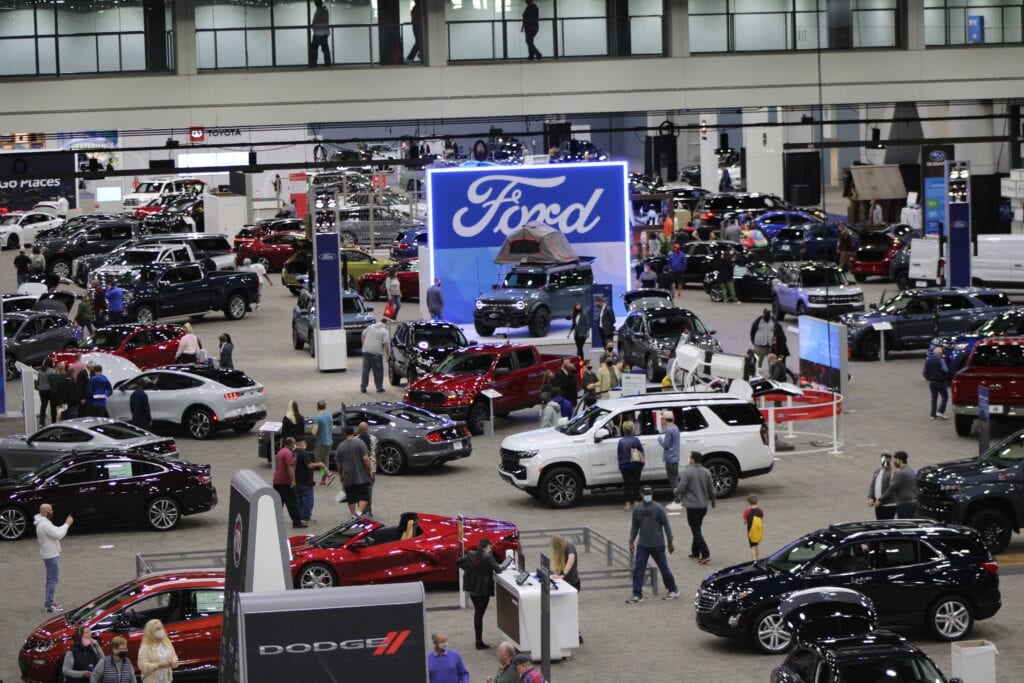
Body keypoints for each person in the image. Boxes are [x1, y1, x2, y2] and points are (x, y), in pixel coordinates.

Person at [627, 484, 679, 603]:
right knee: (639, 569)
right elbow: (635, 526)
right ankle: (637, 593)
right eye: (645, 494)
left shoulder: (658, 508)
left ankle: (673, 589)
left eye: (649, 494)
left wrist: (670, 542)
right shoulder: (638, 509)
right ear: (641, 494)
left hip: (657, 545)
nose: (648, 496)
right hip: (643, 545)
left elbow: (666, 525)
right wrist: (631, 541)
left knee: (664, 568)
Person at [456, 538, 504, 649]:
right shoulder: (488, 557)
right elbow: (498, 570)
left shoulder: (471, 554)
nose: (491, 548)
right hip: (483, 590)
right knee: (479, 614)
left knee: (478, 613)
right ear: (487, 546)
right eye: (490, 546)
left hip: (472, 589)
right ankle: (478, 641)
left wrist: (469, 569)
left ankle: (478, 640)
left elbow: (458, 562)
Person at [675, 451, 715, 564]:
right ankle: (695, 551)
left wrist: (675, 491)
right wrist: (713, 501)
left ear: (692, 460)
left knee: (696, 530)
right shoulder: (706, 472)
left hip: (692, 506)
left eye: (689, 457)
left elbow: (681, 487)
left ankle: (705, 554)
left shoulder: (688, 472)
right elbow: (711, 489)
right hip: (703, 506)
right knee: (697, 528)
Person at [35, 503, 73, 612]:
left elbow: (56, 531)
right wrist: (67, 524)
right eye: (51, 510)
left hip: (49, 555)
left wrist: (65, 524)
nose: (52, 512)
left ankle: (49, 601)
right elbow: (59, 535)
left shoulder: (44, 523)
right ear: (46, 512)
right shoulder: (44, 525)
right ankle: (49, 605)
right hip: (51, 556)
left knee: (50, 579)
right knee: (52, 580)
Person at [336, 426, 373, 517]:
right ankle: (359, 512)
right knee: (364, 496)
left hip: (348, 477)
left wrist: (341, 474)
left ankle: (353, 514)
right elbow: (365, 458)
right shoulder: (360, 443)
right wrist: (369, 469)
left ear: (344, 434)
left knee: (351, 497)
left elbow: (338, 463)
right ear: (354, 433)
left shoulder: (341, 446)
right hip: (361, 476)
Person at [273, 437, 307, 529]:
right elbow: (290, 468)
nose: (294, 445)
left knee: (278, 502)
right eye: (294, 443)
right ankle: (297, 522)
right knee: (292, 503)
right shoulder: (289, 453)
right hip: (285, 481)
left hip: (277, 480)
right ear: (290, 444)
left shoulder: (280, 452)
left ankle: (272, 521)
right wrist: (293, 481)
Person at [877, 451, 917, 518]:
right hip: (912, 503)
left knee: (902, 526)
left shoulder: (901, 473)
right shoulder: (910, 470)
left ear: (900, 460)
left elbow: (892, 487)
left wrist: (880, 500)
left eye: (895, 459)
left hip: (904, 504)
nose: (894, 462)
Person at [138, 618, 178, 683]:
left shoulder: (166, 643)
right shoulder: (145, 647)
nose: (161, 631)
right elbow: (142, 666)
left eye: (161, 628)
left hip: (166, 679)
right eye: (157, 629)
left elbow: (175, 658)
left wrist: (172, 662)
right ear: (150, 632)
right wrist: (158, 665)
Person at [294, 436, 323, 524]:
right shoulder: (303, 454)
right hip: (305, 481)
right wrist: (319, 464)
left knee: (298, 499)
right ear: (303, 443)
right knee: (308, 499)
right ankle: (306, 516)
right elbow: (309, 465)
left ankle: (299, 516)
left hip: (297, 480)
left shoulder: (293, 453)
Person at [617, 420, 644, 512]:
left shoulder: (621, 441)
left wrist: (620, 465)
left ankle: (627, 505)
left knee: (627, 485)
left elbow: (619, 455)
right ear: (632, 429)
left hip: (624, 465)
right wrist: (642, 462)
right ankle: (636, 503)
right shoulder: (636, 440)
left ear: (624, 430)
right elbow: (641, 451)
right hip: (636, 464)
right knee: (636, 483)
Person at [659, 412, 683, 511]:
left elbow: (666, 444)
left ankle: (678, 500)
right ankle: (678, 499)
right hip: (675, 457)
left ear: (665, 419)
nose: (661, 420)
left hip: (670, 458)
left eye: (662, 419)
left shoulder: (669, 430)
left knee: (673, 480)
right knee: (675, 479)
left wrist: (659, 439)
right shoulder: (676, 428)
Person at [360, 319, 390, 393]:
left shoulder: (370, 327)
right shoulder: (384, 331)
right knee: (378, 371)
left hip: (366, 351)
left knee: (365, 371)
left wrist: (364, 345)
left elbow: (363, 335)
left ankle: (363, 387)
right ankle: (379, 388)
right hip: (376, 353)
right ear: (385, 323)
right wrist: (387, 355)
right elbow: (386, 344)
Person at [356, 421, 378, 515]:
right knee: (369, 491)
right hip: (371, 469)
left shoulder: (355, 440)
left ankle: (360, 511)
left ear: (359, 430)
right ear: (367, 429)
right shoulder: (374, 439)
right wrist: (376, 465)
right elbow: (379, 453)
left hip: (358, 471)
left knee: (359, 492)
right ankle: (368, 512)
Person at [310, 400, 335, 485]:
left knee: (318, 460)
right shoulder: (329, 415)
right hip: (329, 441)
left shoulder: (318, 418)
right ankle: (323, 480)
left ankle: (329, 475)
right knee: (325, 461)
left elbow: (314, 432)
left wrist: (312, 427)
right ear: (325, 406)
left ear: (317, 407)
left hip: (321, 442)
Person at [868, 452, 897, 520]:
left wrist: (881, 500)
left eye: (886, 458)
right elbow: (872, 486)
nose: (884, 460)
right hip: (878, 505)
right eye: (883, 458)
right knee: (879, 524)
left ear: (890, 459)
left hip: (889, 505)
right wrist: (870, 497)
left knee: (886, 525)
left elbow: (891, 489)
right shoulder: (877, 472)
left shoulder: (892, 472)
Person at [923, 346, 950, 420]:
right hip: (940, 382)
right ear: (940, 353)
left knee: (934, 398)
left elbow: (925, 372)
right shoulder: (941, 360)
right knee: (945, 396)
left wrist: (928, 378)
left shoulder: (928, 361)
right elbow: (946, 370)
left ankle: (932, 414)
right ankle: (940, 411)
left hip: (932, 382)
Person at [742, 494, 765, 561]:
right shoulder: (760, 510)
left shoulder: (747, 511)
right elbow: (762, 518)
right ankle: (757, 559)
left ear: (749, 502)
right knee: (756, 545)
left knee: (752, 546)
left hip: (751, 530)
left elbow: (744, 522)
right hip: (758, 530)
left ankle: (754, 561)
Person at [309, 0, 331, 67]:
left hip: (319, 32)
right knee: (324, 47)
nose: (315, 3)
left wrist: (314, 25)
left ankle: (313, 64)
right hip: (322, 32)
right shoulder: (323, 8)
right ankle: (327, 63)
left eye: (315, 2)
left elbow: (321, 21)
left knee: (314, 48)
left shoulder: (321, 10)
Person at [36, 358, 56, 426]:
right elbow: (53, 382)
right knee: (53, 407)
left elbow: (38, 380)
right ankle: (54, 422)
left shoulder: (40, 370)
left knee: (43, 406)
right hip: (50, 390)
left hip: (42, 390)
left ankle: (41, 422)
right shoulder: (52, 371)